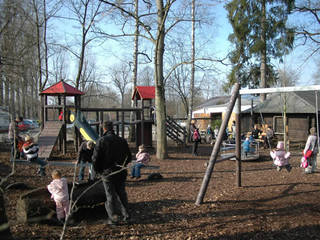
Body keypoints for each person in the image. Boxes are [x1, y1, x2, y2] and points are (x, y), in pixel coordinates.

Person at [92, 121, 132, 225]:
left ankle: (114, 219)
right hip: (120, 171)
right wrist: (122, 165)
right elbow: (129, 157)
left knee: (110, 196)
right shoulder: (122, 140)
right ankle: (127, 216)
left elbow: (95, 159)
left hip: (107, 173)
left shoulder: (101, 141)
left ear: (104, 129)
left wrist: (98, 171)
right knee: (122, 194)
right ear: (112, 128)